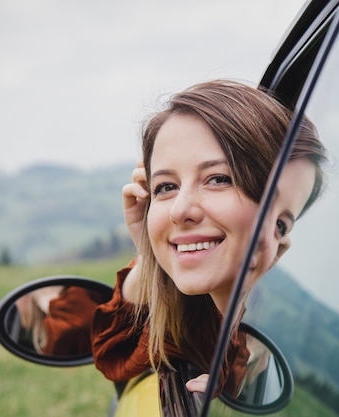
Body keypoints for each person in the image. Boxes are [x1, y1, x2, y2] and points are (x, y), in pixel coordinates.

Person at [91, 79, 326, 395]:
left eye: (218, 179)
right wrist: (149, 252)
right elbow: (113, 357)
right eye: (166, 187)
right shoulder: (194, 305)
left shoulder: (291, 333)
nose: (179, 210)